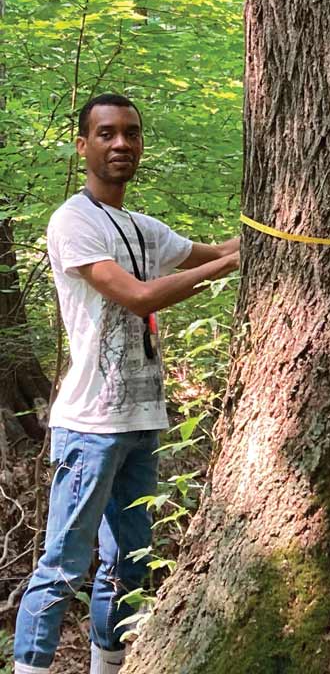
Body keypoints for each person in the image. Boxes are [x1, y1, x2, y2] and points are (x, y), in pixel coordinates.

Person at [14, 94, 240, 674]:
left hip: (143, 422)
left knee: (130, 565)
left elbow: (218, 253)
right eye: (107, 133)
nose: (121, 144)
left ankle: (106, 668)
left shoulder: (144, 228)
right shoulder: (74, 221)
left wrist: (277, 233)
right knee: (63, 567)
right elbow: (137, 295)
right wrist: (224, 265)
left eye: (131, 134)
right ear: (83, 143)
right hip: (89, 427)